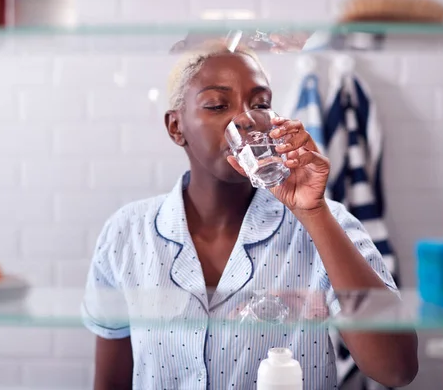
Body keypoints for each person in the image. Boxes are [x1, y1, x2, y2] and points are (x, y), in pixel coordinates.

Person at [81, 40, 418, 390]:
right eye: (216, 105)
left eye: (260, 104)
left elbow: (397, 369)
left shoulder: (326, 223)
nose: (245, 120)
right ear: (176, 127)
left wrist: (313, 212)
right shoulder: (127, 234)